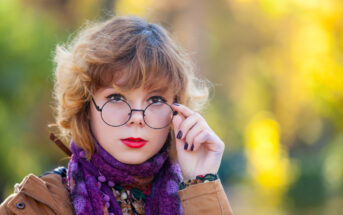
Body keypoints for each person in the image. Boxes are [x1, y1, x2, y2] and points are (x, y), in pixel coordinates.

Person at [0, 16, 233, 215]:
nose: (137, 118)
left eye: (155, 100)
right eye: (117, 98)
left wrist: (202, 182)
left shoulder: (194, 198)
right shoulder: (39, 206)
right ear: (85, 106)